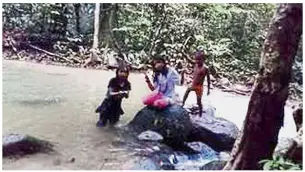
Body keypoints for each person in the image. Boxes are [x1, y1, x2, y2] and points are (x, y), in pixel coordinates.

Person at [182, 51, 210, 117]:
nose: (197, 61)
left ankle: (200, 114)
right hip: (193, 85)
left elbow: (208, 79)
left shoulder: (205, 68)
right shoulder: (196, 65)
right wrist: (183, 53)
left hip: (199, 87)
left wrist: (208, 89)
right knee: (187, 90)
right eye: (196, 59)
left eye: (199, 59)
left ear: (203, 59)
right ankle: (182, 103)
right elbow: (189, 60)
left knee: (199, 101)